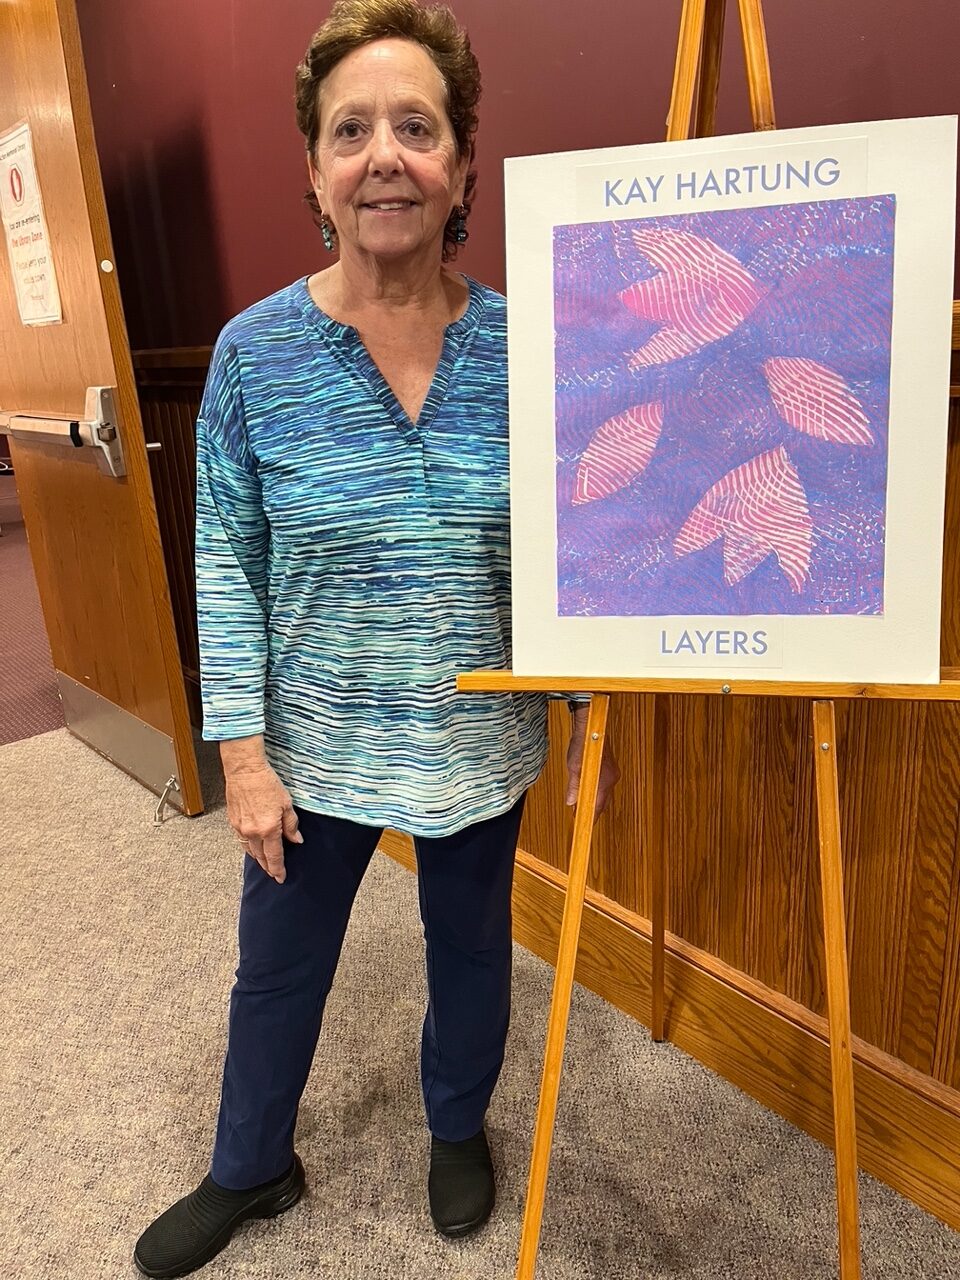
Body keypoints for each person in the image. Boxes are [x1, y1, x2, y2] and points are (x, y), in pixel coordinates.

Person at [134, 2, 619, 1275]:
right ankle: (251, 1162)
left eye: (417, 126)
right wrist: (240, 751)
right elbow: (226, 564)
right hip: (314, 744)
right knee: (278, 971)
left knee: (471, 951)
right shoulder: (252, 354)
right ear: (313, 168)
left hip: (476, 735)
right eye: (351, 130)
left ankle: (456, 1124)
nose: (384, 155)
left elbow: (569, 554)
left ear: (461, 161)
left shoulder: (532, 350)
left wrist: (586, 702)